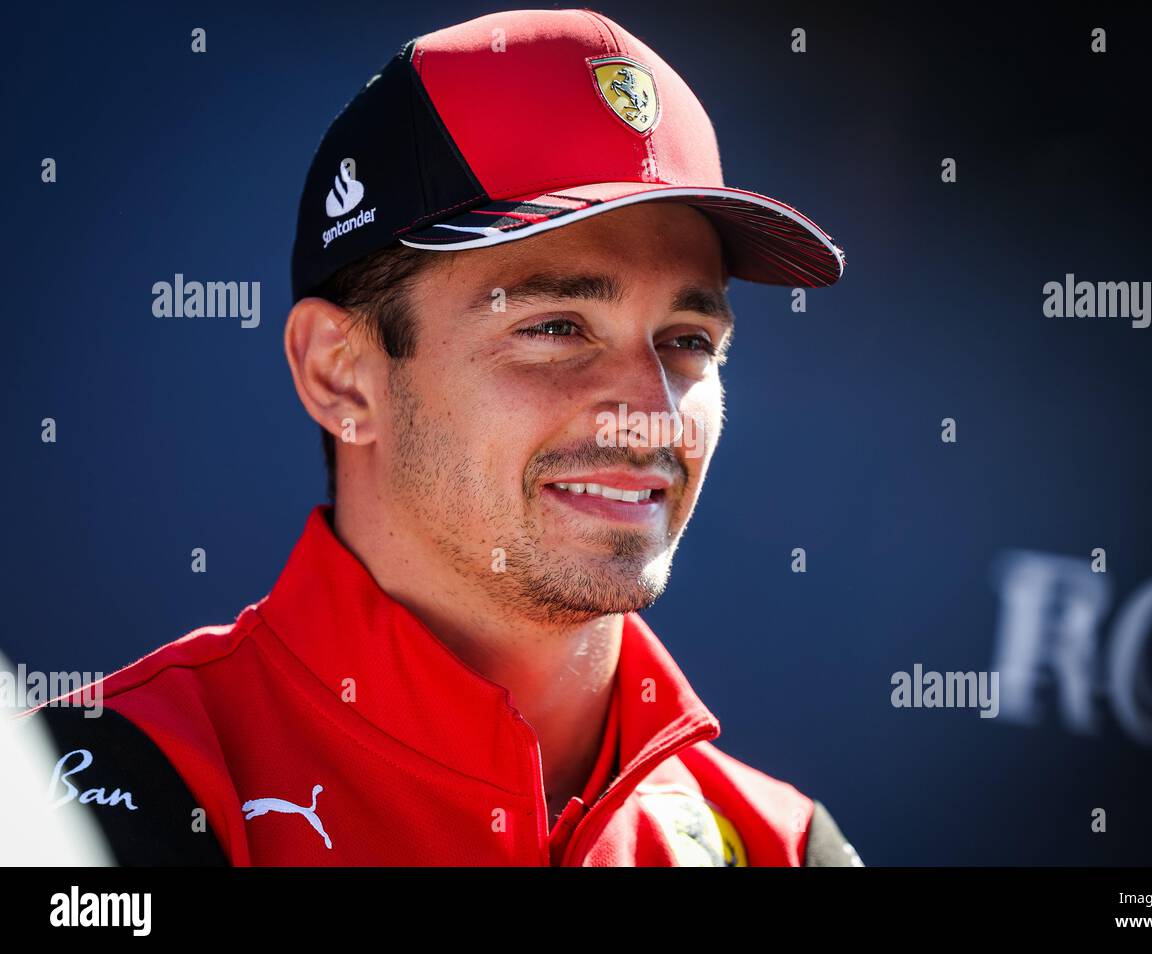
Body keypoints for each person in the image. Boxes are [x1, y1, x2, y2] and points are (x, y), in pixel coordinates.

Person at [20, 7, 860, 866]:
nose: (648, 410)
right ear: (339, 374)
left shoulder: (783, 844)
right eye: (557, 327)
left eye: (688, 341)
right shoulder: (89, 801)